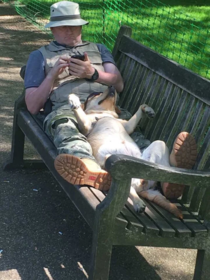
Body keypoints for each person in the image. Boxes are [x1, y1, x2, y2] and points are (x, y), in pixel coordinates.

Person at [24, 1, 125, 190]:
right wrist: (52, 75)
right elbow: (31, 105)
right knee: (66, 130)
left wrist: (93, 73)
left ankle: (160, 170)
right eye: (64, 27)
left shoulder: (99, 49)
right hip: (66, 110)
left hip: (104, 107)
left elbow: (118, 83)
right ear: (53, 30)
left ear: (81, 26)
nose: (70, 31)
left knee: (129, 133)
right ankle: (89, 168)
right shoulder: (39, 56)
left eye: (74, 26)